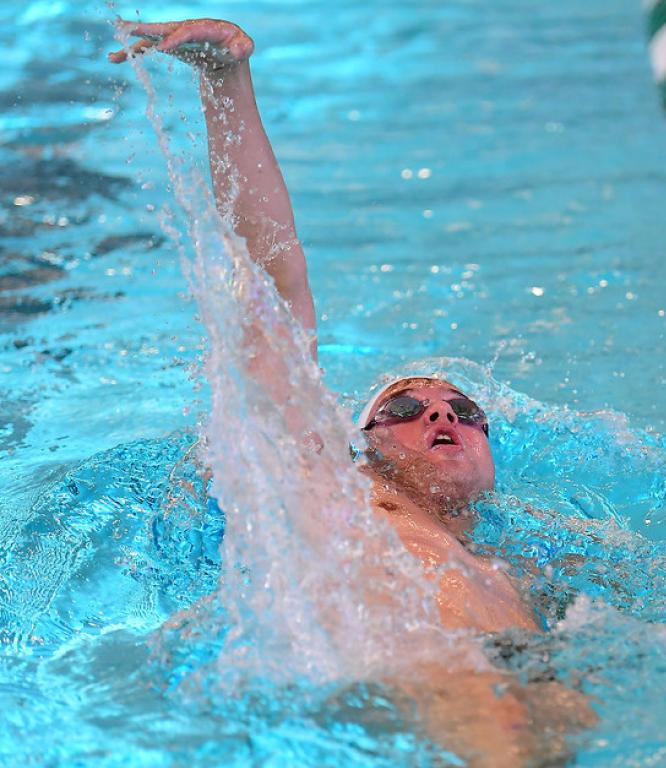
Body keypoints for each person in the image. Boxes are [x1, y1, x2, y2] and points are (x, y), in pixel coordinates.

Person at [109, 17, 593, 766]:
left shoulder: (524, 567)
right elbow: (274, 276)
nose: (441, 412)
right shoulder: (334, 488)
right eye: (404, 408)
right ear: (361, 441)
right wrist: (226, 81)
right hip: (416, 662)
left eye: (466, 411)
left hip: (512, 667)